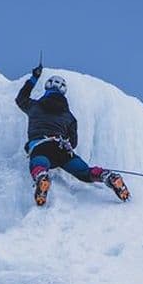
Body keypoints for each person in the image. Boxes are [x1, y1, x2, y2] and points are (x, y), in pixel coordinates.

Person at [15, 62, 130, 206]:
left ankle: (41, 176)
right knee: (84, 172)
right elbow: (73, 143)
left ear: (47, 88)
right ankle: (106, 176)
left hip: (41, 145)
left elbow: (20, 99)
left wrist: (34, 78)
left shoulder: (35, 106)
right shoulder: (69, 116)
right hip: (62, 149)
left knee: (39, 161)